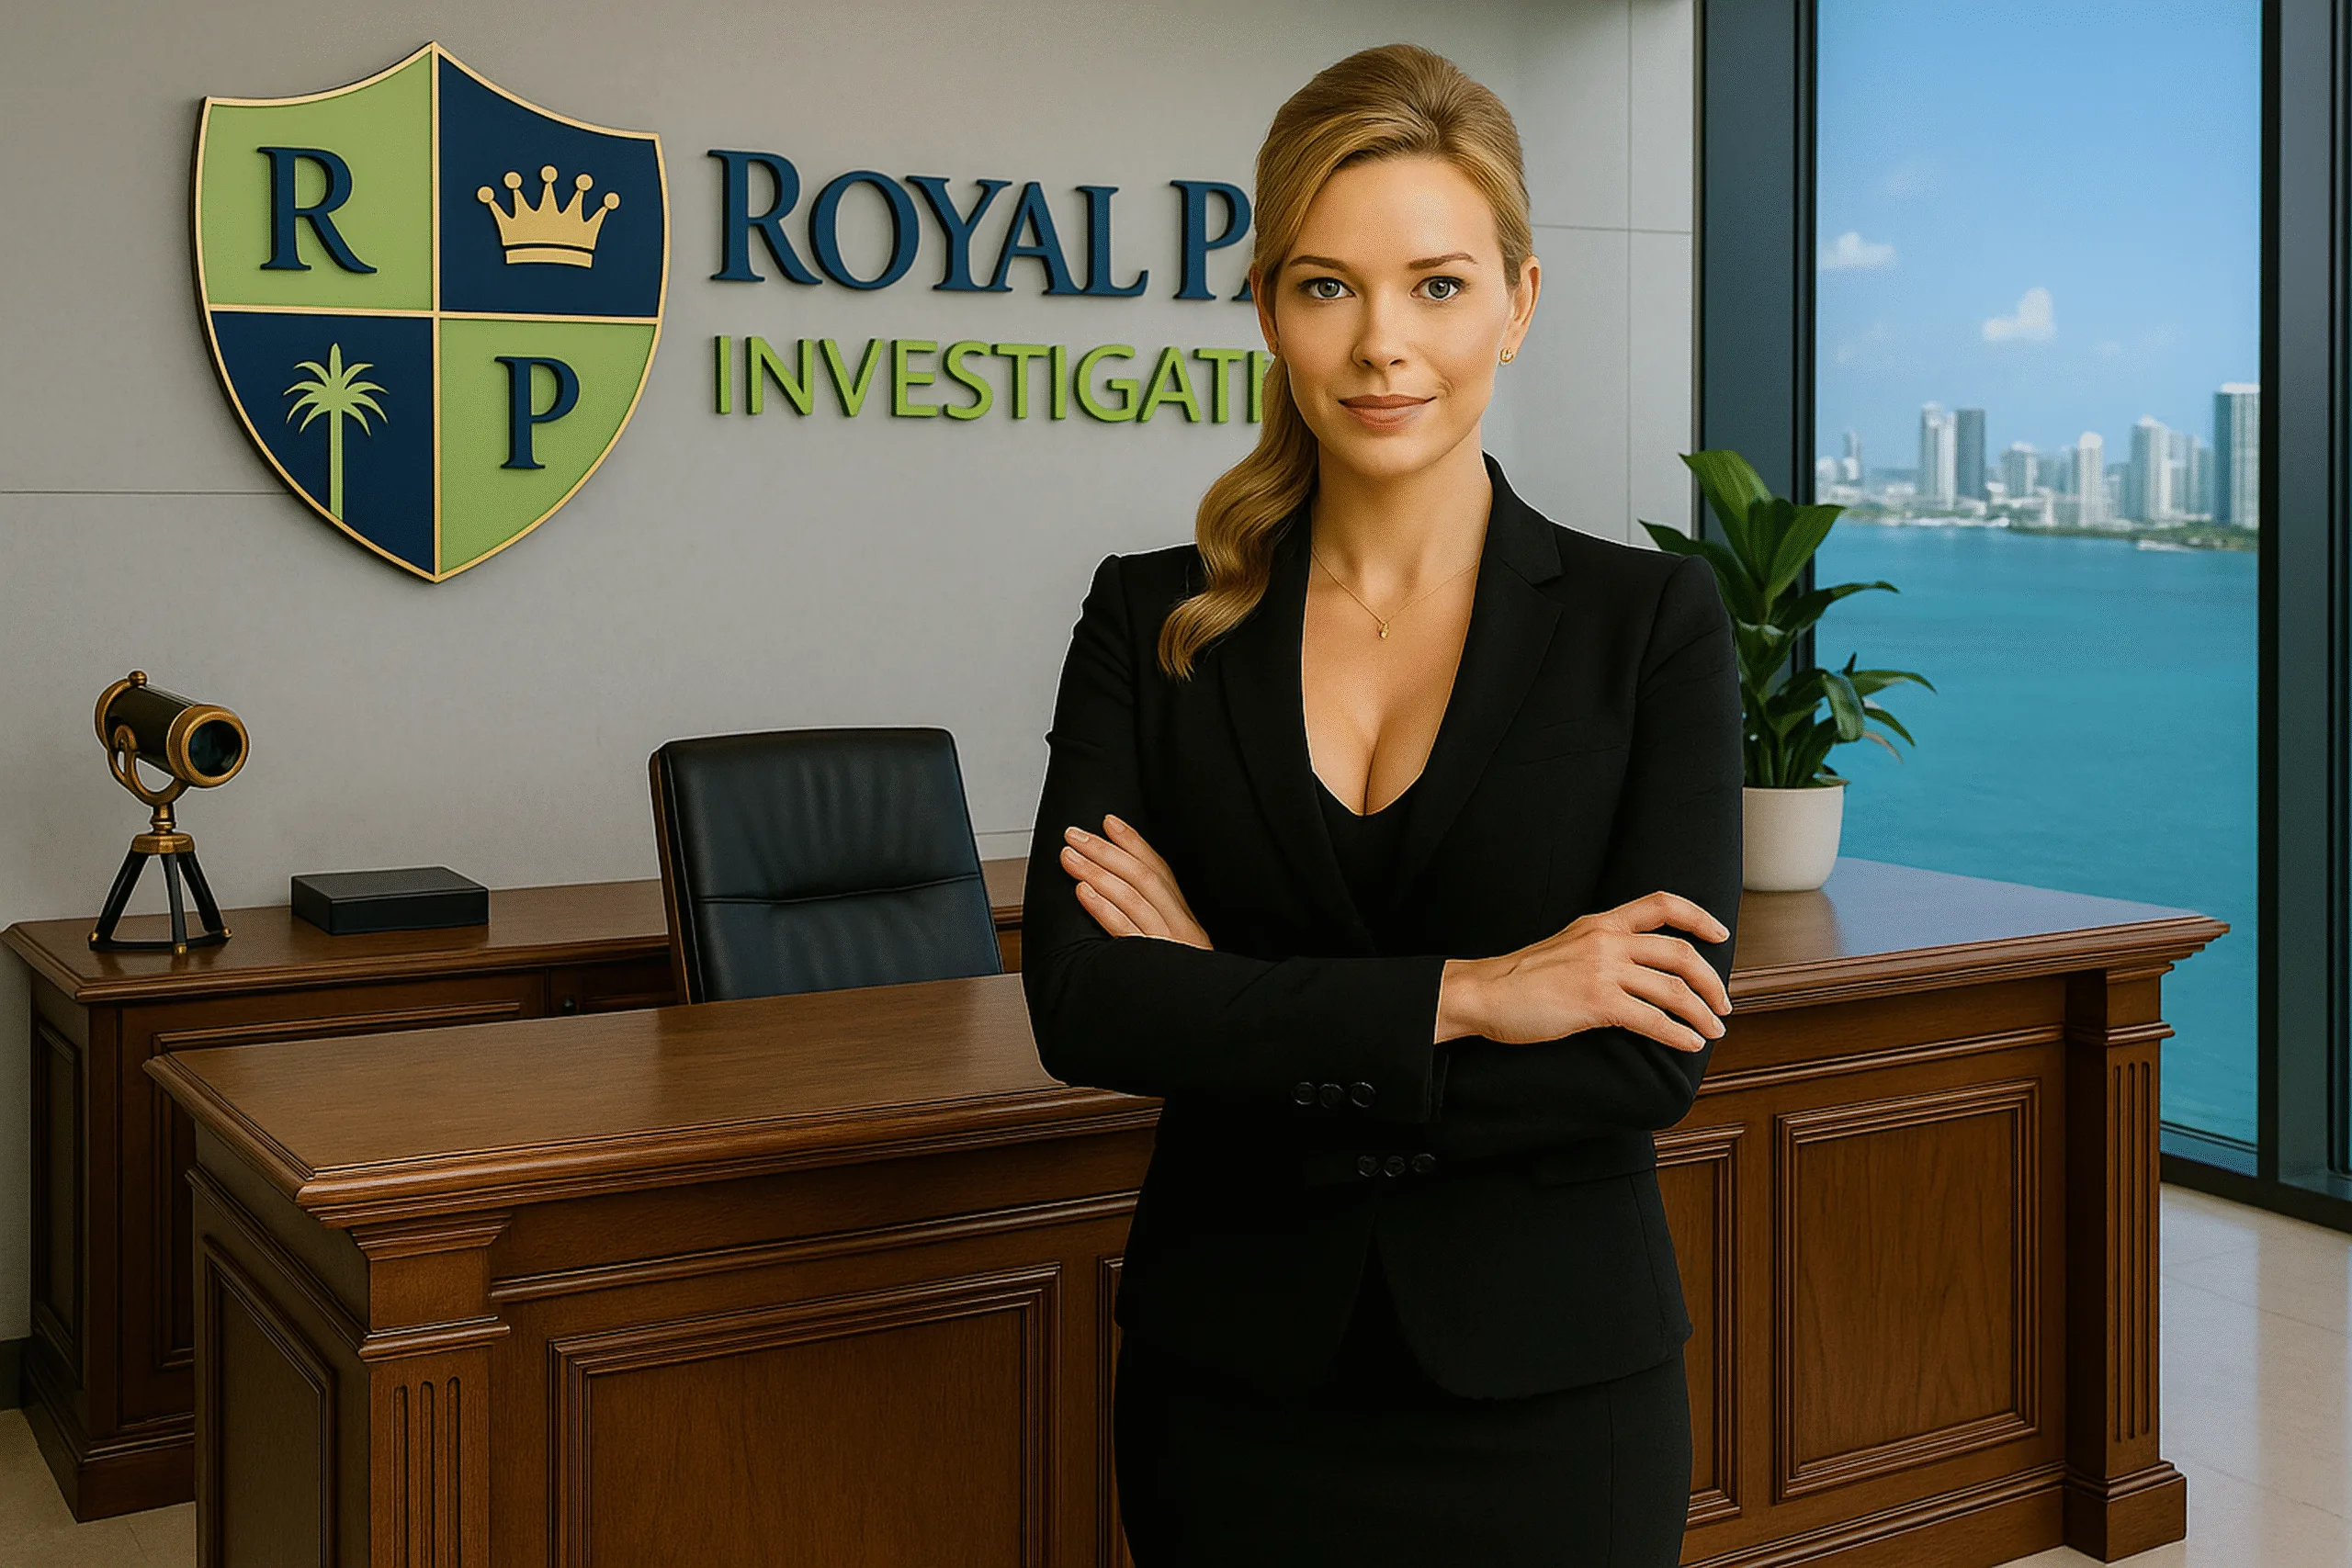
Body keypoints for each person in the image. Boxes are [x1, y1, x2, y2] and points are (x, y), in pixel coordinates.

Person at [1019, 40, 1742, 1568]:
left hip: (1551, 1392)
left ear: (1518, 305)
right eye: (1327, 286)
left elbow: (1645, 1058)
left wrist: (1228, 1000)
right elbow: (1084, 1005)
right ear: (1272, 308)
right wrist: (1480, 994)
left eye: (1436, 284)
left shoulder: (1650, 625)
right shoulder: (1151, 624)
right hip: (1232, 1384)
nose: (1381, 347)